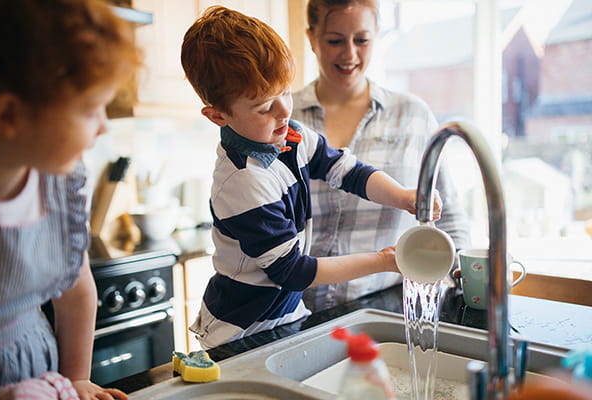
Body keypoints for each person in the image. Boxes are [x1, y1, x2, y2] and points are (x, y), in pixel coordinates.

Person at [180, 6, 442, 349]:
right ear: (217, 115)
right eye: (264, 106)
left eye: (285, 92)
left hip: (286, 318)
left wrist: (404, 196)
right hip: (240, 331)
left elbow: (348, 171)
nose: (284, 110)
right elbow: (294, 272)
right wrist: (384, 262)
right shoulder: (243, 183)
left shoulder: (289, 136)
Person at [0, 1, 141, 398]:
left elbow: (76, 291)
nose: (105, 126)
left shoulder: (60, 183)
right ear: (8, 116)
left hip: (39, 370)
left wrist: (76, 379)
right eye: (91, 110)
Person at [292, 0, 471, 311]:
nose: (349, 54)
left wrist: (464, 282)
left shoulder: (412, 115)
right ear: (311, 38)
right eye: (334, 40)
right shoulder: (283, 118)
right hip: (295, 311)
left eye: (361, 40)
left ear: (377, 36)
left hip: (387, 306)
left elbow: (450, 219)